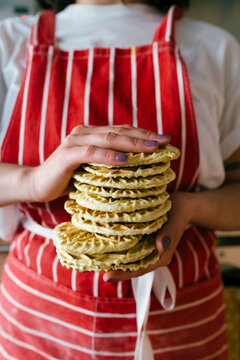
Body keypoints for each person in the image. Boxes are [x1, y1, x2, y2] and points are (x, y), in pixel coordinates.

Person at [0, 0, 240, 358]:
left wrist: (188, 207)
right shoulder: (10, 40)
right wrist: (33, 180)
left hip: (179, 312)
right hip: (39, 316)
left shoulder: (215, 47)